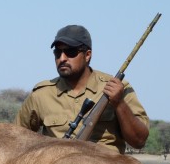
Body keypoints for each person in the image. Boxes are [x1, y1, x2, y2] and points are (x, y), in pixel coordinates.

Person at [14, 25, 149, 154]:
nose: (62, 58)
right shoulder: (41, 94)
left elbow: (139, 141)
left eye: (70, 52)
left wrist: (119, 104)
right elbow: (15, 141)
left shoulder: (117, 88)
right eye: (57, 53)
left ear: (88, 55)